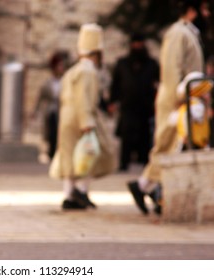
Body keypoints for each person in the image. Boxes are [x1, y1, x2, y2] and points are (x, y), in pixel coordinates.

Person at [127, 0, 209, 216]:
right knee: (169, 144)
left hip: (188, 98)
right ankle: (150, 188)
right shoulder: (177, 33)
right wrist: (177, 99)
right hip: (178, 98)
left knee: (178, 145)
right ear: (192, 10)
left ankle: (150, 188)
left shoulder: (188, 33)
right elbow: (172, 67)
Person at [49, 23, 115, 210]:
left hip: (67, 119)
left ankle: (69, 196)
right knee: (89, 155)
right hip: (81, 118)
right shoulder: (88, 71)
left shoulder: (74, 70)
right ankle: (81, 190)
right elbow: (84, 98)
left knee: (71, 158)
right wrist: (87, 122)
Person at [109, 33, 159, 171]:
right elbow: (115, 84)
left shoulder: (151, 64)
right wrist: (113, 101)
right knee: (126, 134)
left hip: (145, 105)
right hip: (128, 105)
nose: (137, 46)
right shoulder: (123, 63)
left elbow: (159, 83)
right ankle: (124, 163)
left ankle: (145, 162)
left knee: (145, 134)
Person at [33, 51, 70, 160]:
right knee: (51, 134)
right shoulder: (48, 83)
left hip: (62, 111)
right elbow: (40, 98)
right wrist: (36, 111)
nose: (61, 68)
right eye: (59, 66)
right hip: (51, 112)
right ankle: (52, 154)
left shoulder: (66, 81)